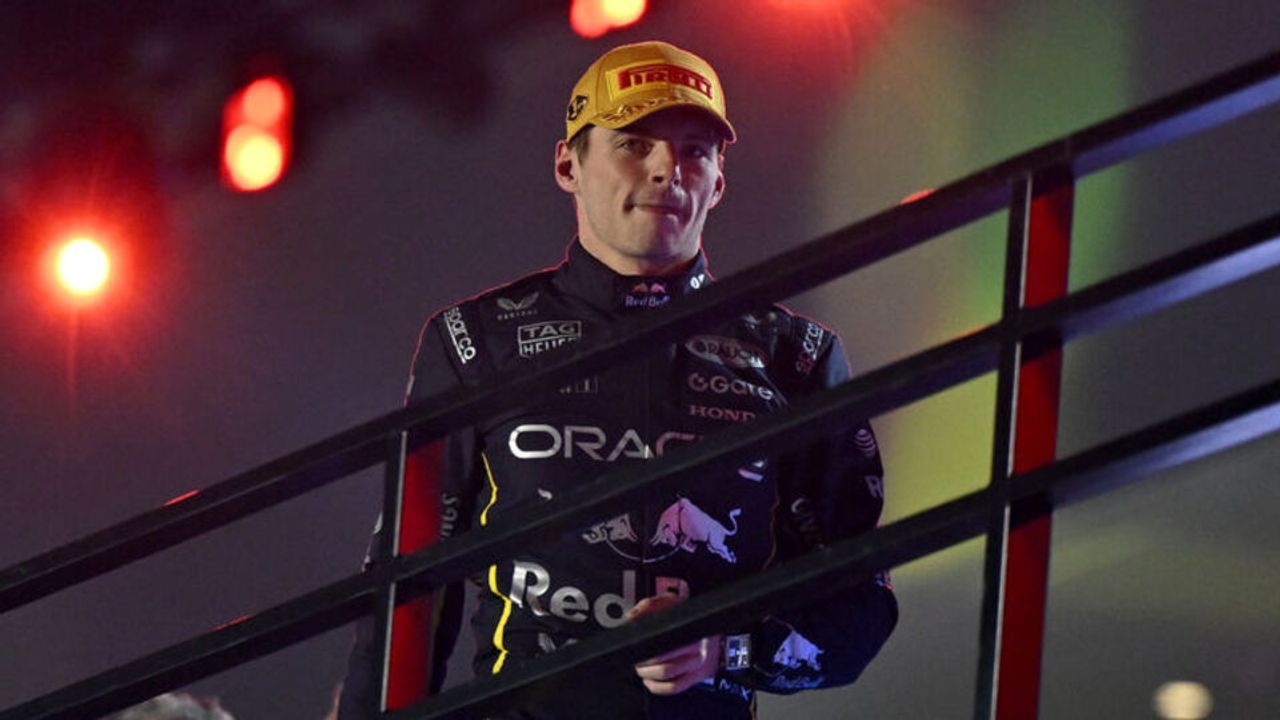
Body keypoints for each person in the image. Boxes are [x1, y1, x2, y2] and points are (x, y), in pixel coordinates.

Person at [339, 40, 896, 719]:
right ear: (567, 165)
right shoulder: (472, 341)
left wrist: (725, 649)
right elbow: (405, 593)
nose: (667, 169)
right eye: (634, 143)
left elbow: (860, 606)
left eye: (695, 151)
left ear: (719, 182)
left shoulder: (798, 357)